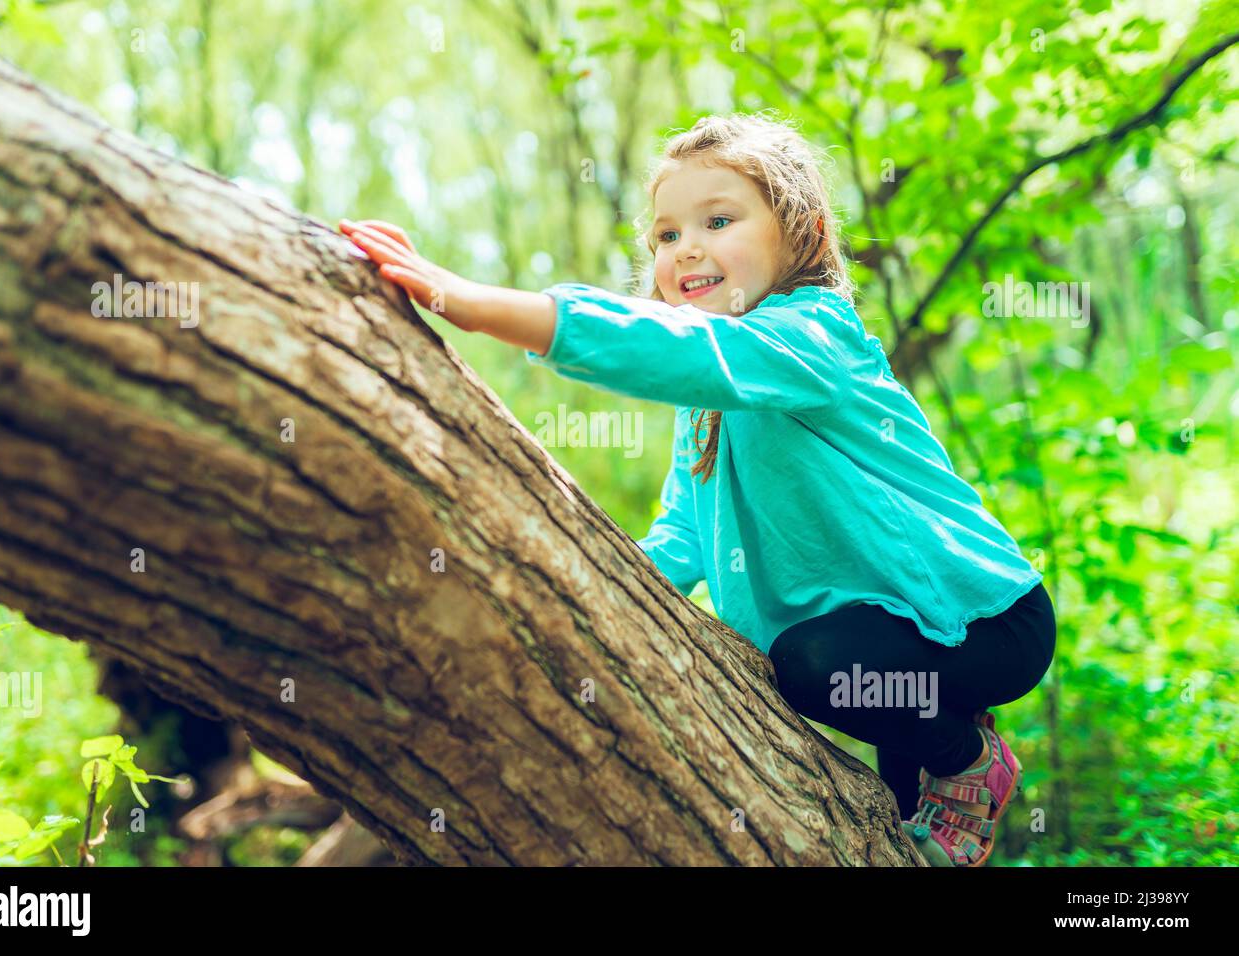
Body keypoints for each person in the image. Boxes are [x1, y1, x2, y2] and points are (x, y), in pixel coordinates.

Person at [338, 110, 1057, 867]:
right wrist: (588, 591)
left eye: (718, 221)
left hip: (983, 619)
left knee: (809, 664)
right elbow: (685, 529)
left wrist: (475, 304)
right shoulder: (707, 402)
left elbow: (681, 349)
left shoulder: (815, 335)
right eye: (667, 235)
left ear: (804, 233)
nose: (685, 249)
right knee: (910, 845)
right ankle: (948, 757)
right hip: (886, 646)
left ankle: (968, 759)